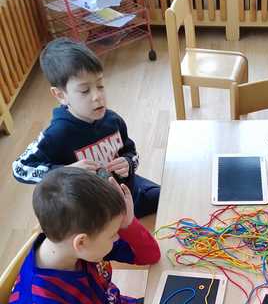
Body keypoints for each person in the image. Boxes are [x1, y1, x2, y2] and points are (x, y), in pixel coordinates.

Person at [9, 168, 161, 304]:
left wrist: (128, 224)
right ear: (81, 242)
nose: (117, 238)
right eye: (113, 234)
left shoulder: (83, 245)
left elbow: (150, 256)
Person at [12, 37, 159, 219]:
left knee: (170, 199)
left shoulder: (113, 120)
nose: (97, 96)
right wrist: (66, 172)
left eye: (100, 85)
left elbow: (131, 152)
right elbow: (19, 167)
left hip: (128, 195)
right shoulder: (57, 134)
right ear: (60, 95)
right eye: (84, 91)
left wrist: (128, 162)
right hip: (93, 215)